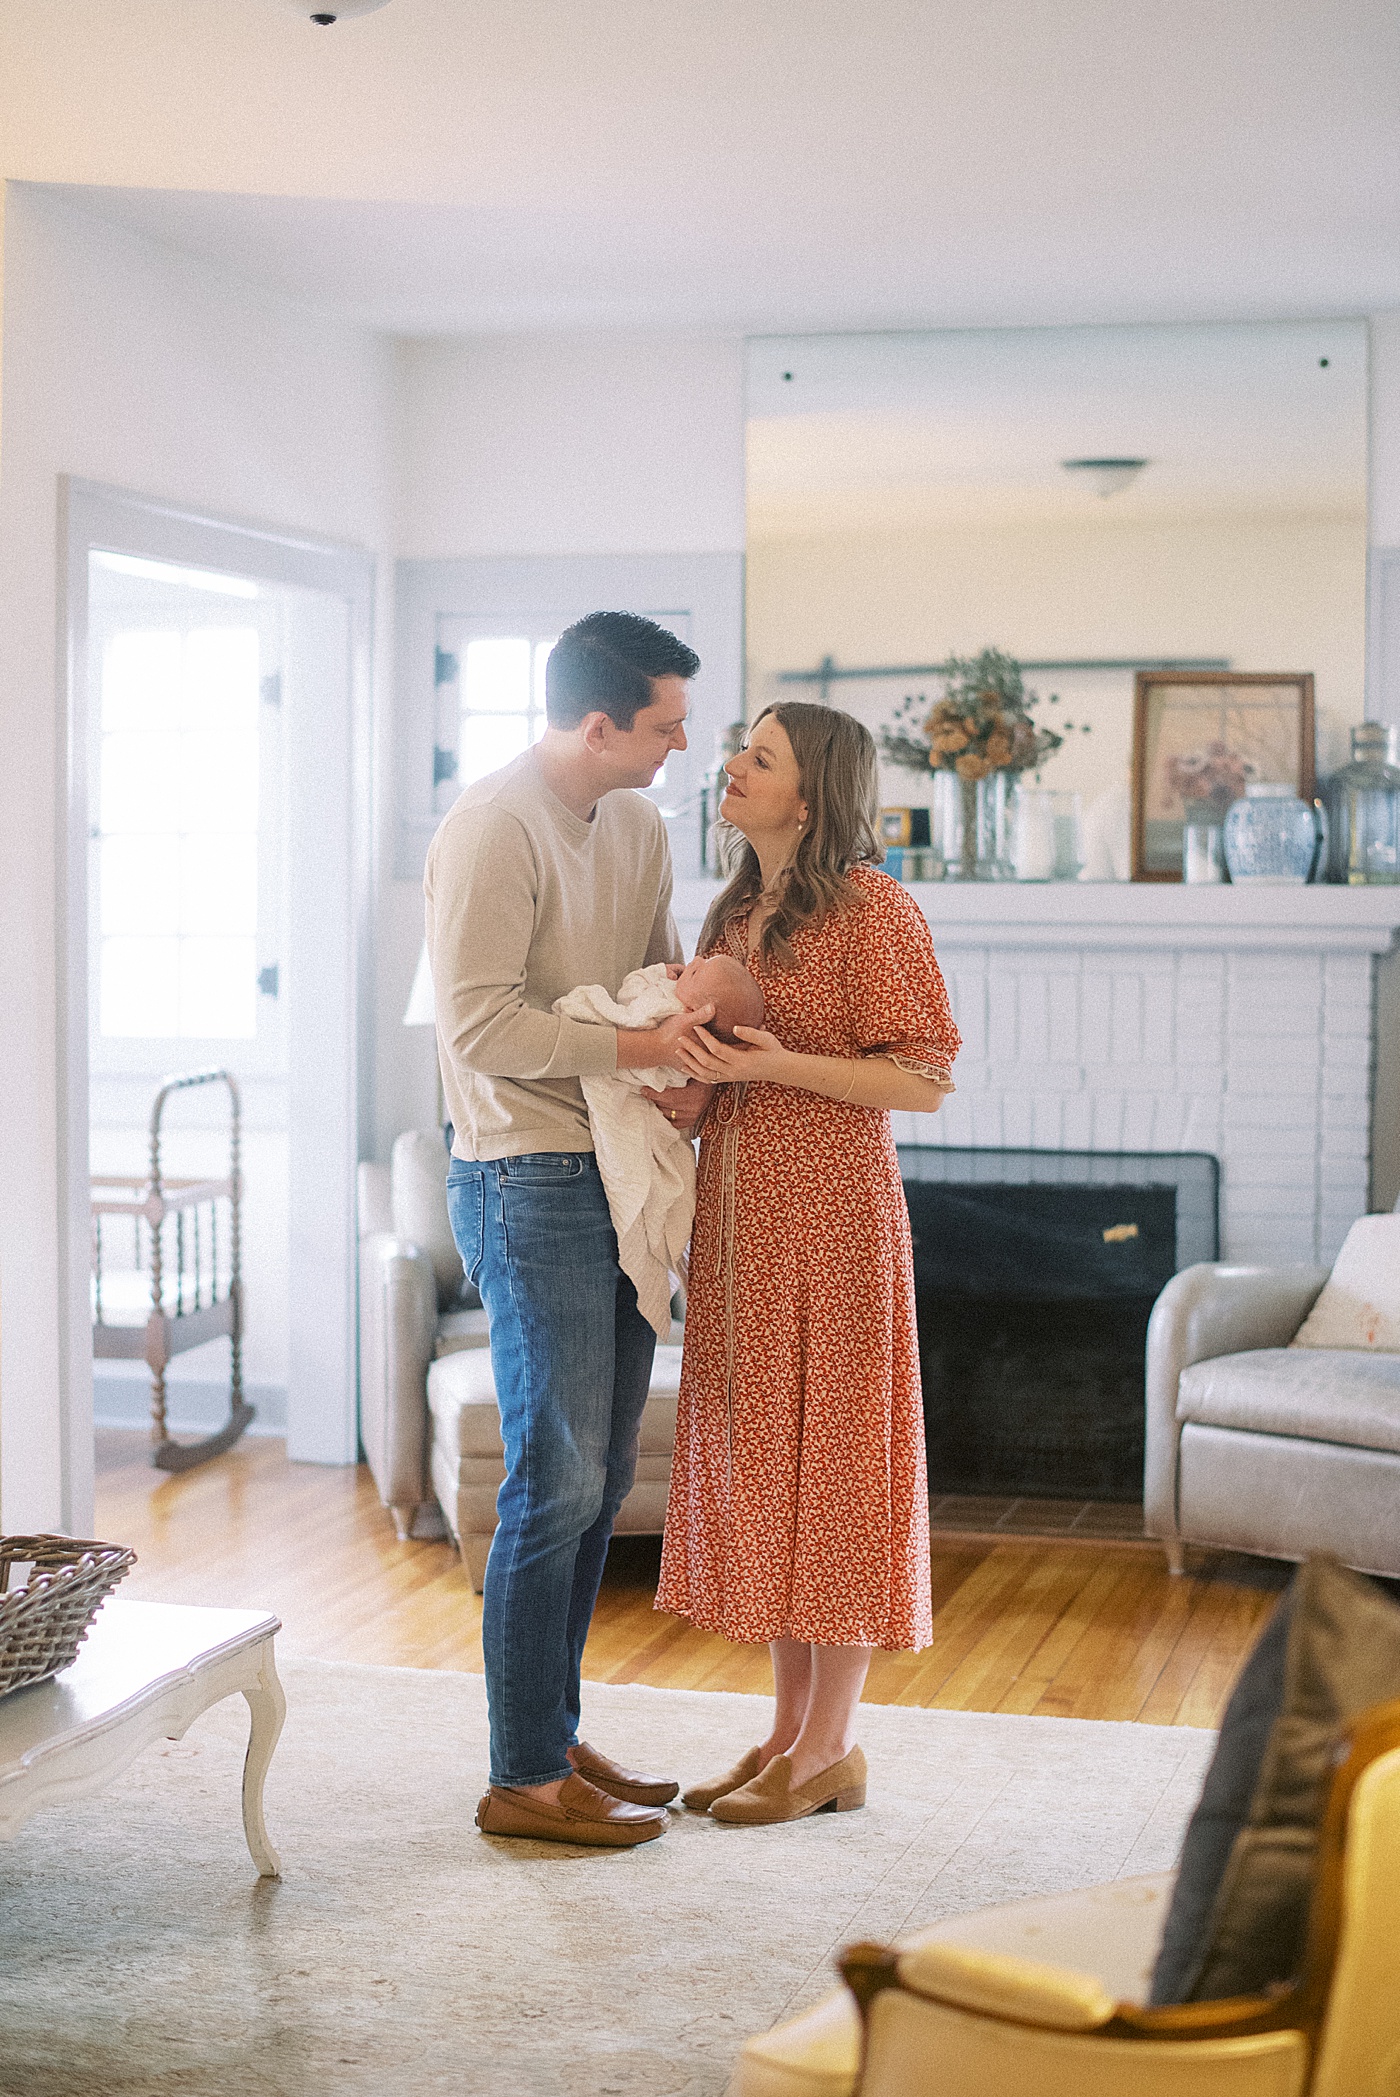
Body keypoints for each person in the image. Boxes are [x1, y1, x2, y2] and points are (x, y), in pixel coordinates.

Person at [423, 610, 715, 1850]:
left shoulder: (640, 823)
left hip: (618, 1162)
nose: (682, 742)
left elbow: (648, 979)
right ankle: (519, 1778)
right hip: (522, 1176)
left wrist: (682, 1060)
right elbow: (479, 1026)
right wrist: (644, 1050)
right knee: (559, 1480)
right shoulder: (492, 829)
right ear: (598, 727)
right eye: (665, 723)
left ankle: (550, 1731)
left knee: (597, 1489)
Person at [655, 701, 961, 1825]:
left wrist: (780, 1065)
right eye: (740, 747)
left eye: (759, 756)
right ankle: (786, 1733)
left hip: (832, 1226)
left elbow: (921, 1078)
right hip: (738, 1228)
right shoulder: (736, 907)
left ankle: (830, 1745)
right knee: (772, 1474)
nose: (731, 766)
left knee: (831, 1471)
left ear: (810, 791)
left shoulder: (874, 907)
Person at [553, 957, 766, 1338]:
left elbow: (630, 1007)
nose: (693, 961)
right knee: (656, 1183)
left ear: (700, 1012)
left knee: (642, 1170)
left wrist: (648, 980)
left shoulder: (669, 1008)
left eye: (697, 972)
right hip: (648, 1102)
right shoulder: (683, 999)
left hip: (642, 1104)